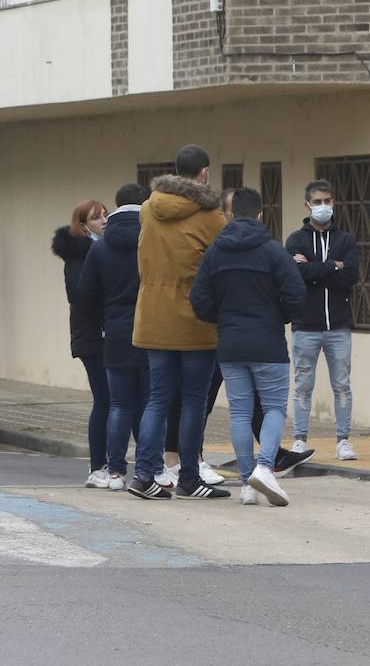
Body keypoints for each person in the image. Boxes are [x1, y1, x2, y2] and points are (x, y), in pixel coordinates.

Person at [191, 188, 306, 506]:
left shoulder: (215, 252)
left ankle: (246, 484)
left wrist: (223, 318)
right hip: (268, 343)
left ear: (230, 215)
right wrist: (279, 316)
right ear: (260, 215)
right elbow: (297, 295)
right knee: (273, 408)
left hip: (230, 344)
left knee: (240, 412)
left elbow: (199, 300)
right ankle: (265, 468)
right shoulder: (273, 251)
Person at [129, 144, 229, 500]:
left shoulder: (148, 209)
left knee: (157, 398)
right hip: (195, 320)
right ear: (204, 173)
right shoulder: (211, 215)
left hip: (153, 316)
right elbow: (221, 265)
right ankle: (189, 477)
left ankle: (144, 474)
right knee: (192, 400)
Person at [77, 186, 147, 492]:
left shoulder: (100, 248)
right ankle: (149, 469)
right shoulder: (151, 240)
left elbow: (86, 294)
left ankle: (116, 472)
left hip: (114, 331)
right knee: (149, 403)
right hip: (149, 329)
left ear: (116, 207)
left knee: (117, 404)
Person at [285, 179, 360, 461]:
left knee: (342, 384)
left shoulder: (346, 240)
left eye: (327, 201)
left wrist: (314, 267)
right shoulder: (295, 240)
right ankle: (300, 439)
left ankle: (343, 440)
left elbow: (350, 276)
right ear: (307, 205)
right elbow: (296, 275)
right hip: (305, 325)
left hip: (338, 325)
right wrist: (331, 265)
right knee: (303, 384)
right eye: (317, 202)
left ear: (334, 203)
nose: (323, 206)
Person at [53, 199, 109, 488]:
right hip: (91, 336)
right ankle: (98, 466)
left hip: (103, 334)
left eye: (105, 215)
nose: (104, 221)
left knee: (115, 400)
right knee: (104, 399)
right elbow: (82, 296)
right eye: (96, 217)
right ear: (83, 225)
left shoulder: (101, 250)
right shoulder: (79, 255)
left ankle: (110, 464)